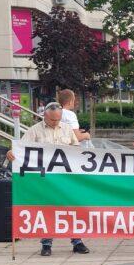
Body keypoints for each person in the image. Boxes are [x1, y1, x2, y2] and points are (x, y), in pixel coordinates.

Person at [6, 102, 90, 256]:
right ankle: (46, 244)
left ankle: (77, 241)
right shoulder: (34, 131)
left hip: (66, 179)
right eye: (52, 120)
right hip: (45, 179)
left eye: (58, 119)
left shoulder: (67, 129)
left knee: (70, 207)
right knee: (47, 209)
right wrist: (11, 152)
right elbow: (21, 148)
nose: (55, 122)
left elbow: (77, 150)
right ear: (45, 115)